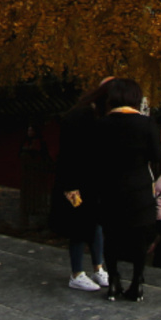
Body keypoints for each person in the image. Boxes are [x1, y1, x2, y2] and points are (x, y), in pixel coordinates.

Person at [89, 78, 161, 301]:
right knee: (139, 237)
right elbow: (156, 157)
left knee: (111, 236)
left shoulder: (101, 125)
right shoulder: (147, 124)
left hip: (110, 188)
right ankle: (137, 282)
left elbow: (94, 159)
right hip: (138, 188)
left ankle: (113, 282)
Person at [55, 80, 111, 291]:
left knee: (95, 224)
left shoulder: (93, 114)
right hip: (75, 182)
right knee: (79, 225)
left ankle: (98, 267)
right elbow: (69, 154)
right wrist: (70, 186)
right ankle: (77, 272)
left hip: (90, 181)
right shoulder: (81, 116)